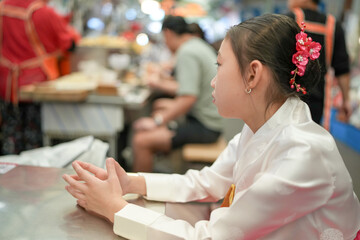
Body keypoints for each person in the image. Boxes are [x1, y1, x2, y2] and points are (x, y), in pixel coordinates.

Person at [63, 14, 360, 239]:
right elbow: (206, 182)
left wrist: (114, 208)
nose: (213, 80)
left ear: (253, 75)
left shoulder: (303, 153)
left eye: (220, 66)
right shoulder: (263, 124)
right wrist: (131, 182)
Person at [131, 15, 223, 172]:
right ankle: (164, 161)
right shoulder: (196, 44)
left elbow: (188, 98)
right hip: (210, 118)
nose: (166, 44)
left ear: (168, 33)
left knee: (141, 140)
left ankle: (140, 194)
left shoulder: (187, 51)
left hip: (206, 126)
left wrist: (157, 122)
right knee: (160, 106)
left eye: (164, 39)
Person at [0, 0, 80, 155]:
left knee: (9, 134)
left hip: (6, 83)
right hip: (37, 84)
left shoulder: (3, 7)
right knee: (35, 139)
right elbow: (69, 45)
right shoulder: (45, 13)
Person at [286, 0, 352, 129]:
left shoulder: (287, 20)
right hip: (318, 103)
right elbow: (342, 69)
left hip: (288, 98)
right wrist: (346, 101)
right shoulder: (333, 26)